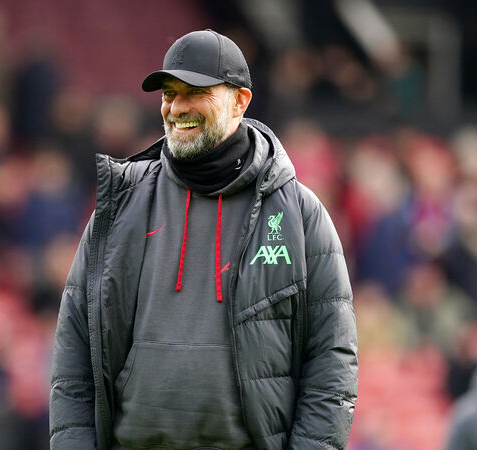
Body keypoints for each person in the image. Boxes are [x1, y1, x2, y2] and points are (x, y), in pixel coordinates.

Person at [49, 30, 358, 449]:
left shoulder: (299, 213)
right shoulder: (120, 206)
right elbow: (74, 352)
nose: (177, 108)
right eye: (169, 94)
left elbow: (332, 363)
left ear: (240, 101)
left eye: (195, 92)